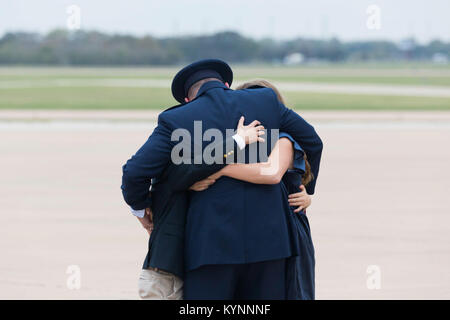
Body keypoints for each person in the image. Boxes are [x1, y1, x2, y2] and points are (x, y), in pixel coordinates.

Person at [121, 59, 323, 299]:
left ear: (187, 99)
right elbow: (312, 141)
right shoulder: (265, 101)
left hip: (209, 245)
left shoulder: (176, 120)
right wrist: (304, 188)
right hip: (271, 241)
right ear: (227, 84)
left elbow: (135, 172)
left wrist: (143, 210)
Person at [192, 80, 316, 299]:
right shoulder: (235, 143)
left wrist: (220, 169)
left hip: (283, 231)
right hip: (243, 232)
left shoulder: (284, 139)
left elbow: (271, 172)